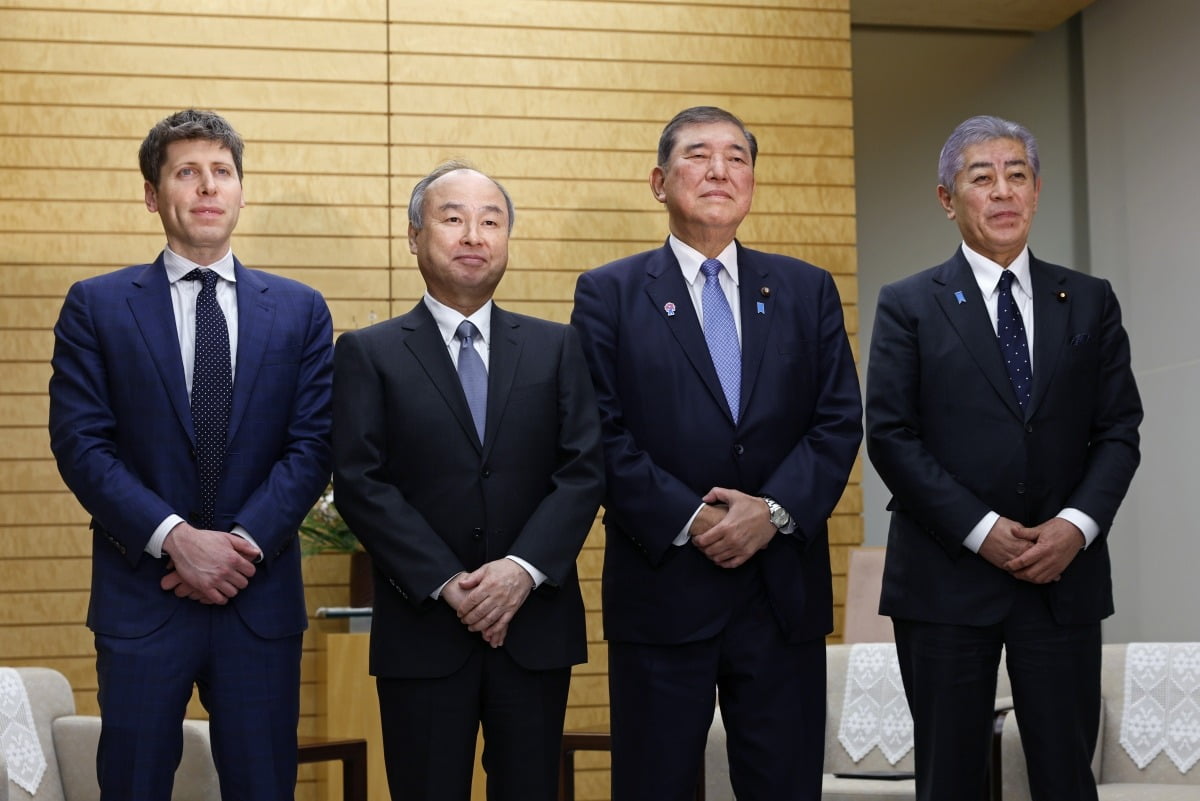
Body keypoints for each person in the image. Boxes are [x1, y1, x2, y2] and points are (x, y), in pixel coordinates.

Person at [571, 106, 863, 801]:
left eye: (737, 157)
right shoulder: (608, 293)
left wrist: (774, 509)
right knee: (656, 784)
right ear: (659, 181)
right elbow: (598, 430)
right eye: (698, 155)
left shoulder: (805, 289)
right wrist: (692, 517)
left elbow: (837, 419)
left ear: (753, 182)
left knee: (785, 785)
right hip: (664, 585)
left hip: (781, 588)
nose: (720, 170)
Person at [48, 109, 334, 800]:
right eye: (186, 172)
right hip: (141, 596)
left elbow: (314, 443)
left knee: (265, 785)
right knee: (134, 783)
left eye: (222, 172)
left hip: (257, 598)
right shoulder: (97, 306)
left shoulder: (301, 310)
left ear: (240, 191)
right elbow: (82, 444)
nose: (208, 187)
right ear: (153, 194)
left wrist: (238, 545)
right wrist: (175, 539)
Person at [865, 115, 1143, 801]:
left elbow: (1119, 429)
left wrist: (1076, 525)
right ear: (946, 198)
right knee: (949, 780)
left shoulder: (1089, 299)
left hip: (1061, 580)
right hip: (944, 580)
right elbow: (891, 435)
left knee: (1065, 777)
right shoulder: (907, 306)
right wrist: (982, 528)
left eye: (1017, 174)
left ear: (1038, 190)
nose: (1002, 191)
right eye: (981, 176)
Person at [331, 161, 605, 801]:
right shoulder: (369, 353)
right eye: (452, 219)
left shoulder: (557, 347)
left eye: (491, 221)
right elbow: (360, 482)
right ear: (414, 234)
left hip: (534, 626)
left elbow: (583, 471)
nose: (473, 235)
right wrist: (450, 584)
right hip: (423, 631)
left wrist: (521, 570)